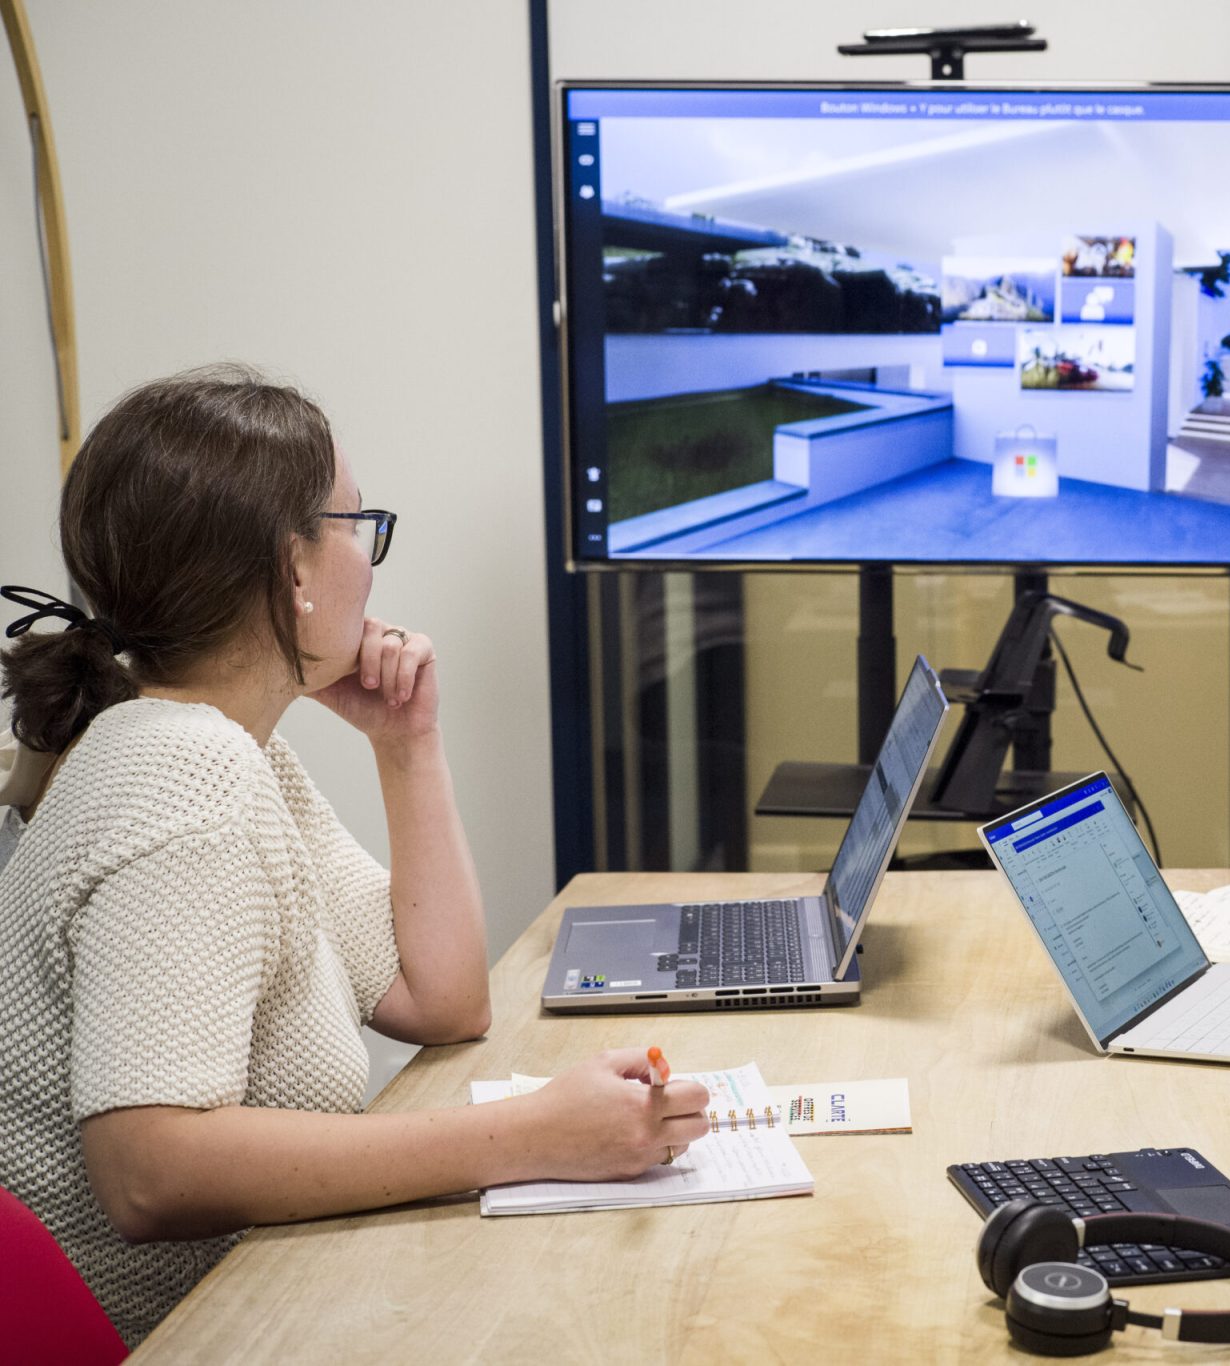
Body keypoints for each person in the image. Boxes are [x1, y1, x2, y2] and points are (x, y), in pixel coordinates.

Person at [0, 366, 713, 1346]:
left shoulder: (224, 753)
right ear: (293, 573)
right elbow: (148, 1169)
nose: (369, 563)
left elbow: (443, 998)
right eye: (355, 524)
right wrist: (525, 1138)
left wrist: (405, 744)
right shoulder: (184, 781)